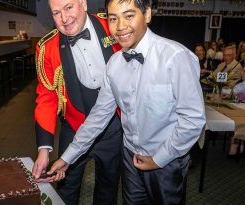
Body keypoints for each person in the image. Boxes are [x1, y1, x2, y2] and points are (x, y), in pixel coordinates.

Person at [44, 0, 206, 204]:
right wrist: (66, 158)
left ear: (147, 15)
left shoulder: (176, 57)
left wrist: (159, 158)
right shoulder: (114, 64)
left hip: (167, 160)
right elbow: (98, 116)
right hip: (130, 159)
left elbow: (193, 120)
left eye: (129, 16)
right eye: (113, 18)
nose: (120, 26)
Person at [32, 0, 123, 204]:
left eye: (69, 8)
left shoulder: (114, 25)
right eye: (56, 13)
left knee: (108, 189)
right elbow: (47, 98)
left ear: (83, 3)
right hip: (73, 128)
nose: (64, 19)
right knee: (66, 189)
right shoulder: (47, 48)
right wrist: (43, 150)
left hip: (113, 127)